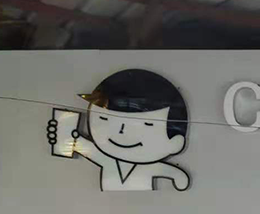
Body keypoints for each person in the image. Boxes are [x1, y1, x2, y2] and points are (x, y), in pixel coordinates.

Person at [46, 68, 191, 192]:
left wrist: (178, 176)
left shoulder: (146, 165)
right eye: (104, 119)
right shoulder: (106, 158)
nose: (121, 131)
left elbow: (167, 171)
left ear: (175, 143)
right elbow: (83, 147)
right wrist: (65, 133)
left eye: (147, 124)